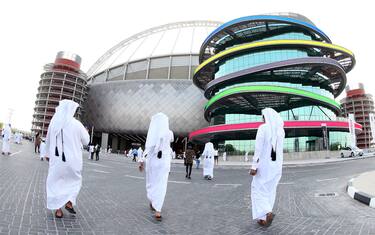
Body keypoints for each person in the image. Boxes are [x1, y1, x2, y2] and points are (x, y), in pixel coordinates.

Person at [45, 100, 90, 218]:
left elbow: (48, 139)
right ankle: (69, 202)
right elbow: (86, 141)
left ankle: (58, 210)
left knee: (55, 182)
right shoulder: (76, 124)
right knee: (74, 181)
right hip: (73, 161)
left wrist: (47, 154)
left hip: (57, 160)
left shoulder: (54, 123)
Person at [250, 108, 284, 227]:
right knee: (270, 190)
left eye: (263, 116)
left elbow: (258, 148)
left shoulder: (263, 128)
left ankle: (267, 212)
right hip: (276, 166)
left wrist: (254, 165)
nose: (262, 118)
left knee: (257, 189)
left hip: (264, 165)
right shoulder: (280, 131)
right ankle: (263, 218)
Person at [138, 113, 174, 221]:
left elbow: (147, 149)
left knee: (151, 182)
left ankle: (153, 201)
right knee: (161, 184)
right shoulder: (169, 133)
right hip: (164, 162)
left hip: (153, 161)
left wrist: (141, 162)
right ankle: (158, 209)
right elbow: (171, 139)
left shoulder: (153, 133)